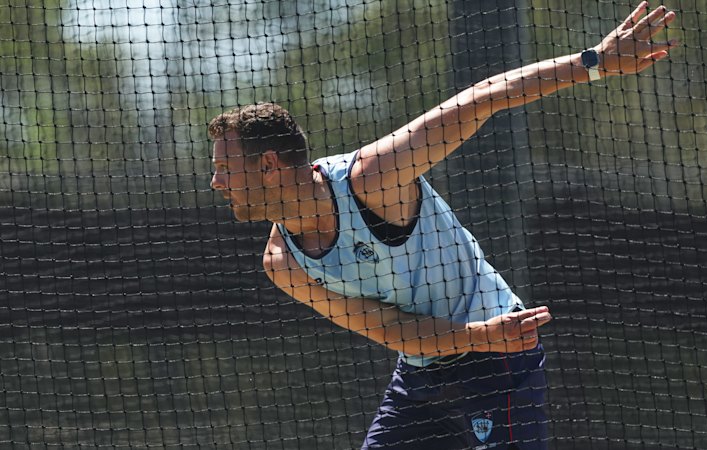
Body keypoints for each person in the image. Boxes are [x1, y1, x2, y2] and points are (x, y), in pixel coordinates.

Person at [209, 2, 678, 448]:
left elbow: (483, 98)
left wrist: (595, 62)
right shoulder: (282, 262)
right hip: (421, 379)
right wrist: (475, 338)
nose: (215, 181)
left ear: (269, 165)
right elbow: (390, 329)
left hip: (498, 361)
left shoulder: (373, 179)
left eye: (226, 169)